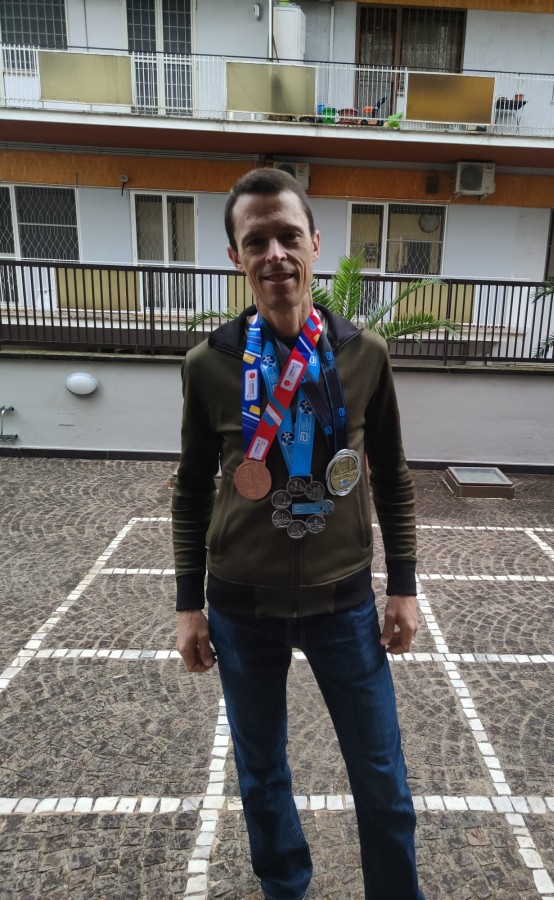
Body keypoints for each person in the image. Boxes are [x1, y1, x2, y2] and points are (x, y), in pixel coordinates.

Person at [173, 167, 424, 900]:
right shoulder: (209, 366)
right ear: (236, 256)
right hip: (241, 607)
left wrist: (403, 588)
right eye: (257, 241)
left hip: (343, 605)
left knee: (381, 777)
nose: (275, 254)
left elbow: (394, 476)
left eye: (288, 236)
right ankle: (286, 889)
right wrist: (189, 604)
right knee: (262, 776)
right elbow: (190, 490)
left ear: (315, 242)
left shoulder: (364, 354)